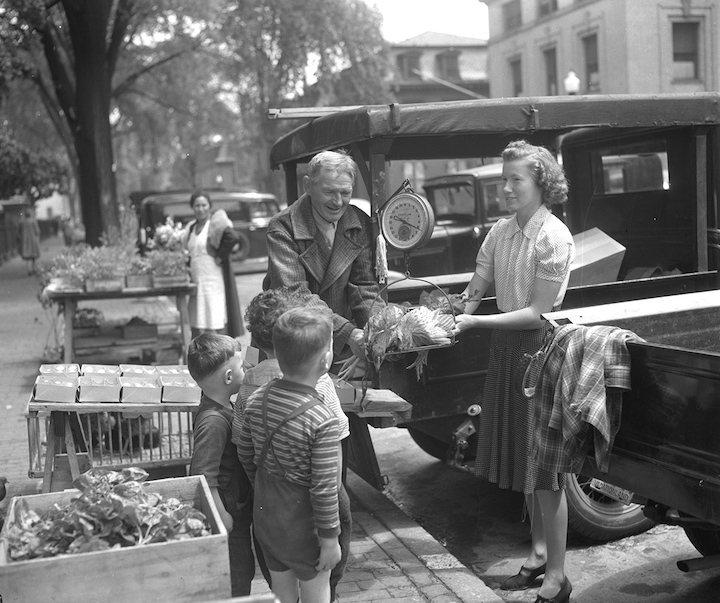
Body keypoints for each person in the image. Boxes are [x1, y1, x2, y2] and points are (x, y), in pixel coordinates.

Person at [452, 140, 575, 603]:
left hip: (539, 352)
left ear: (541, 183)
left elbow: (537, 313)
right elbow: (477, 285)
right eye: (503, 179)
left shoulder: (554, 236)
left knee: (544, 472)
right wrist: (450, 316)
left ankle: (558, 578)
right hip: (506, 352)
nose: (505, 188)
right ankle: (540, 554)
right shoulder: (501, 232)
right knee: (523, 462)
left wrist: (474, 321)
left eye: (514, 180)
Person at [233, 287, 352, 602]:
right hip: (305, 526)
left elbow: (245, 452)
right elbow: (326, 487)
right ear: (327, 359)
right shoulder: (321, 419)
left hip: (268, 517)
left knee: (283, 595)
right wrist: (329, 540)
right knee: (317, 593)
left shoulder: (256, 397)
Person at [263, 149, 378, 367]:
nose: (337, 202)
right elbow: (294, 295)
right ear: (308, 186)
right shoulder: (283, 227)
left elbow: (365, 287)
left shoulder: (359, 223)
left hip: (336, 348)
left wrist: (379, 329)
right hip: (291, 347)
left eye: (345, 193)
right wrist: (348, 333)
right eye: (329, 192)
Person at [187, 333, 254, 597]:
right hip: (228, 514)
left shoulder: (222, 406)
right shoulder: (213, 421)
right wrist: (220, 514)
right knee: (237, 576)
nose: (246, 369)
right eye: (241, 366)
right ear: (228, 378)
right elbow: (203, 475)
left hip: (233, 508)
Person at [184, 190, 244, 338]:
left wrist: (220, 256)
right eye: (197, 205)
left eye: (204, 205)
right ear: (192, 207)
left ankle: (220, 351)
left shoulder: (216, 224)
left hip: (213, 279)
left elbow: (233, 237)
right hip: (197, 280)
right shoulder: (191, 227)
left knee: (215, 316)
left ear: (209, 206)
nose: (200, 209)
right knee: (198, 318)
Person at [18, 206, 41, 275]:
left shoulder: (21, 222)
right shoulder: (33, 221)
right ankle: (34, 269)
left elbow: (19, 231)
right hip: (33, 240)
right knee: (34, 256)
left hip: (25, 241)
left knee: (27, 257)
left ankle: (29, 270)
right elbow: (37, 231)